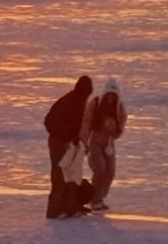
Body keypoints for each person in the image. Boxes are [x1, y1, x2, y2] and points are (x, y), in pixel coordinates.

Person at [44, 75, 93, 218]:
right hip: (60, 141)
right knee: (60, 175)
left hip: (64, 141)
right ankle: (54, 211)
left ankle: (69, 208)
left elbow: (51, 121)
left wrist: (77, 141)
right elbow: (52, 122)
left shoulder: (73, 99)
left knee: (70, 174)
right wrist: (67, 136)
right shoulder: (74, 101)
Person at [81, 79, 127, 212]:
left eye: (113, 96)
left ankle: (100, 197)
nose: (111, 99)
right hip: (94, 142)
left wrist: (113, 128)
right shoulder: (95, 104)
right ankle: (94, 199)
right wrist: (84, 142)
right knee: (100, 169)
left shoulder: (120, 110)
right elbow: (86, 123)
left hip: (109, 144)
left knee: (110, 173)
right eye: (109, 96)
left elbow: (119, 132)